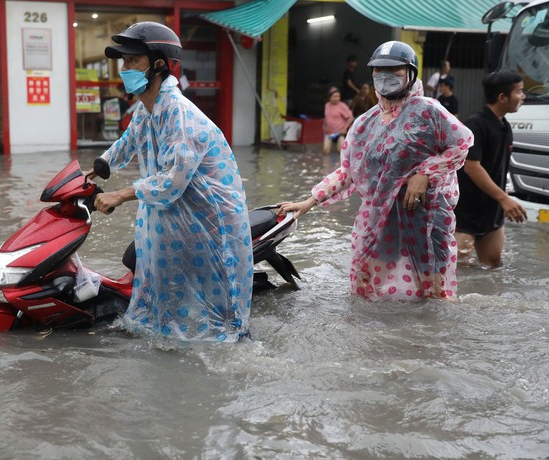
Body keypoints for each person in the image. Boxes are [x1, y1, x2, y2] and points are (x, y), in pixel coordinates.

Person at [89, 22, 253, 342]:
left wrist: (121, 195)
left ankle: (233, 353)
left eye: (132, 61)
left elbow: (172, 180)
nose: (124, 69)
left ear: (159, 65)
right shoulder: (146, 109)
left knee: (217, 313)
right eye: (123, 62)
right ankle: (169, 346)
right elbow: (127, 143)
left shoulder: (179, 113)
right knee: (168, 292)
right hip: (172, 215)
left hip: (208, 219)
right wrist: (97, 168)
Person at [278, 41, 473, 300]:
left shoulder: (429, 111)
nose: (385, 76)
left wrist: (424, 173)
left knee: (434, 295)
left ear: (411, 73)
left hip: (426, 216)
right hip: (380, 218)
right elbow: (348, 172)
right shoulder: (364, 123)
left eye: (394, 71)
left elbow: (461, 144)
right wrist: (310, 201)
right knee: (365, 289)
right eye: (378, 70)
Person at [454, 70, 527, 268]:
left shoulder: (504, 126)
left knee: (492, 264)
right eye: (519, 92)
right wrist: (504, 199)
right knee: (458, 267)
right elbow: (471, 167)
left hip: (492, 210)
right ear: (502, 97)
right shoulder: (475, 125)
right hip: (466, 212)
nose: (523, 96)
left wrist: (502, 201)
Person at [323, 86, 353, 155]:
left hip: (340, 133)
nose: (336, 98)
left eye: (338, 96)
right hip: (329, 133)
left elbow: (350, 117)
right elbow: (326, 117)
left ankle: (341, 165)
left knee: (341, 151)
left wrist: (344, 128)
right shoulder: (327, 105)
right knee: (325, 151)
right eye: (334, 96)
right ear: (329, 97)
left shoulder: (342, 106)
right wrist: (324, 126)